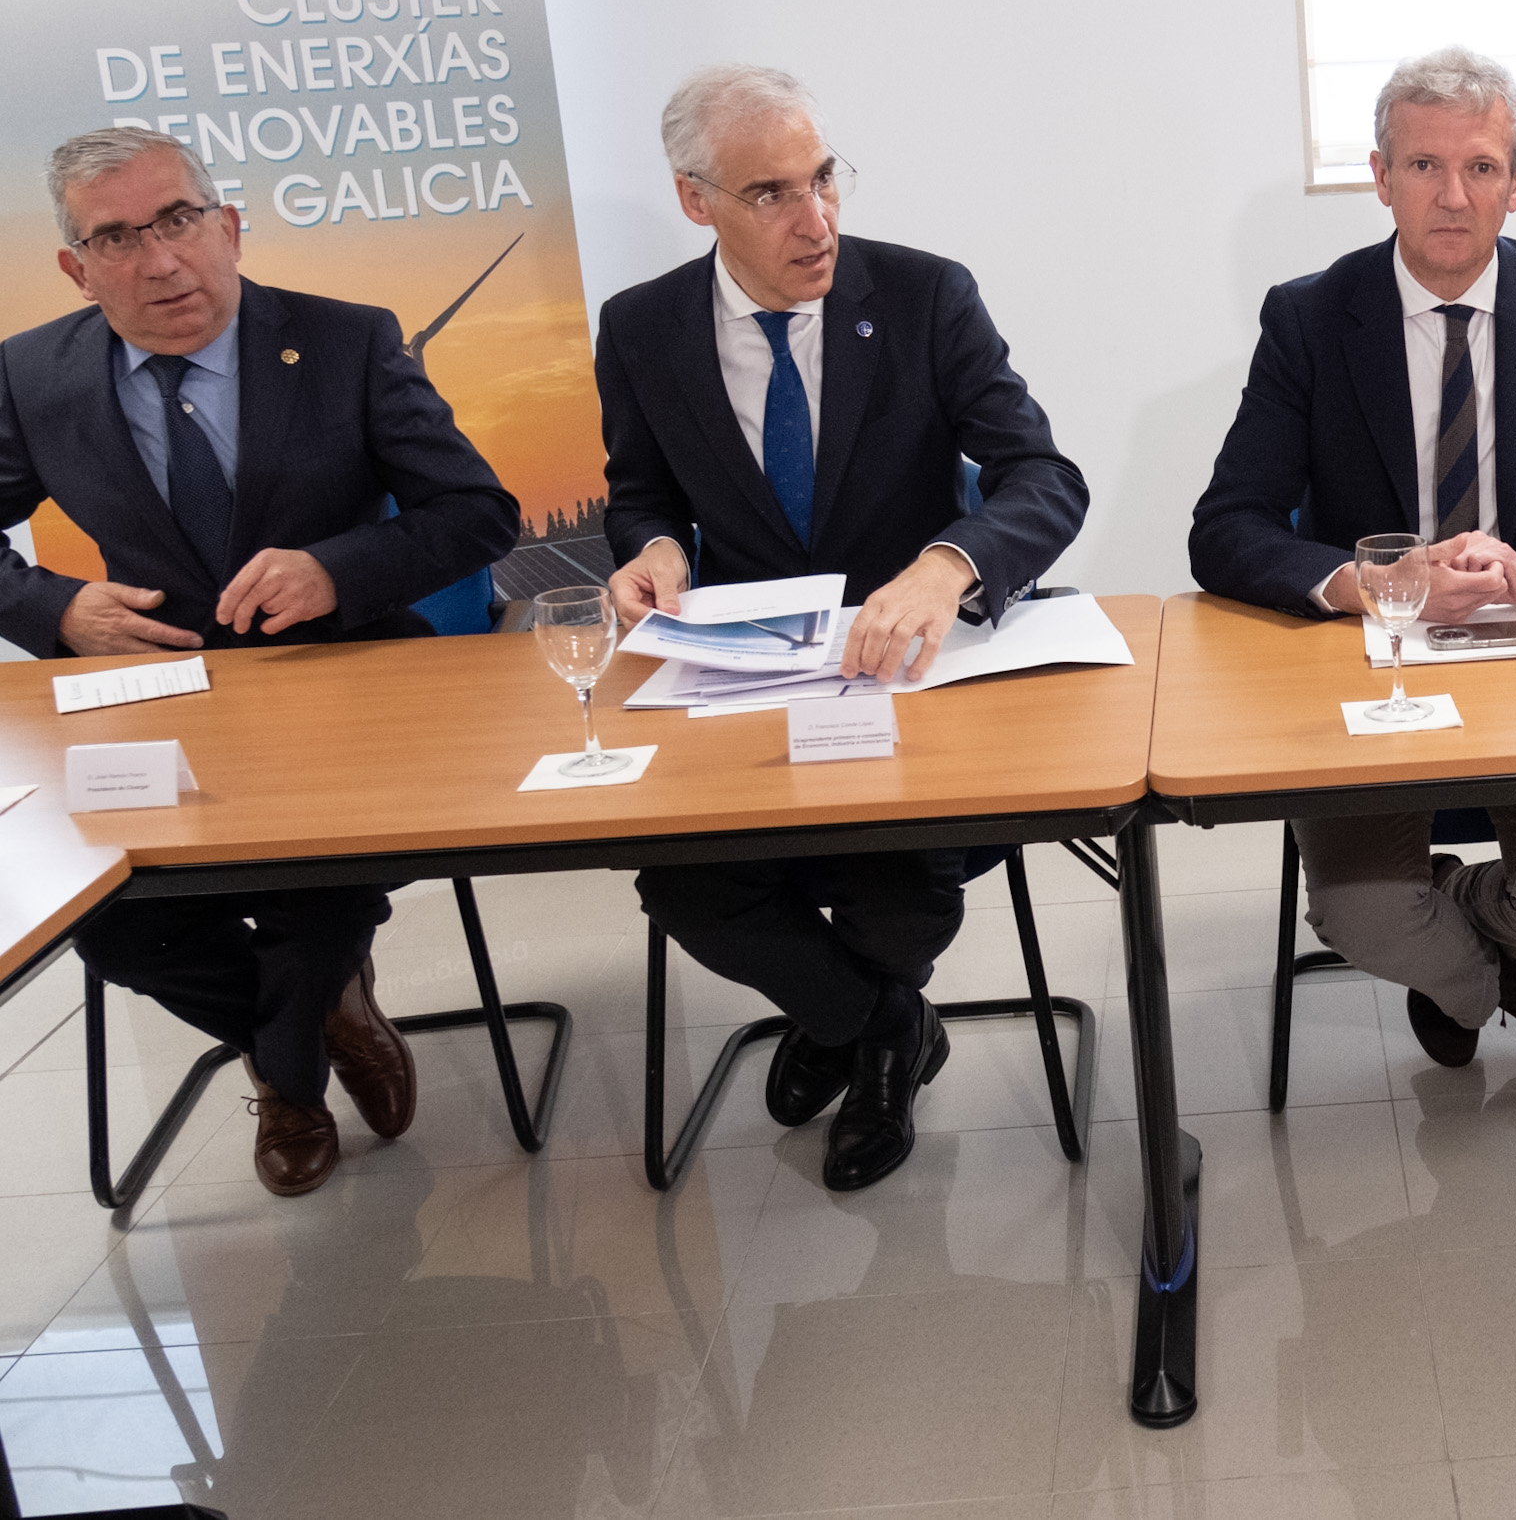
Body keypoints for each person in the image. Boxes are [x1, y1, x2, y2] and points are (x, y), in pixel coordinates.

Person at [0, 126, 520, 1195]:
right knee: (116, 930)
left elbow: (478, 514)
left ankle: (285, 1083)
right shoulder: (30, 375)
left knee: (314, 891)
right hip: (160, 705)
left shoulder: (347, 342)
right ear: (76, 267)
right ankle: (324, 1018)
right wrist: (57, 607)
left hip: (348, 688)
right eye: (117, 238)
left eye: (179, 220)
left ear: (229, 227)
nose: (160, 260)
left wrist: (336, 569)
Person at [597, 65, 1088, 1192]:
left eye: (823, 179)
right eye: (771, 193)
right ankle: (879, 1027)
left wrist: (946, 565)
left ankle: (844, 1025)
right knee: (684, 887)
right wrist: (656, 550)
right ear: (695, 201)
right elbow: (640, 494)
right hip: (742, 683)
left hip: (902, 680)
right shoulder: (642, 328)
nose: (815, 220)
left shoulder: (923, 296)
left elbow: (1042, 476)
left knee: (902, 887)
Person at [1190, 46, 1516, 1087]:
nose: (1453, 196)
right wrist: (1365, 583)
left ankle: (1461, 932)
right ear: (1381, 178)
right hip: (1371, 665)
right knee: (1364, 915)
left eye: (1480, 167)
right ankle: (1510, 983)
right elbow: (1226, 526)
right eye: (1424, 166)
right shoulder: (1311, 317)